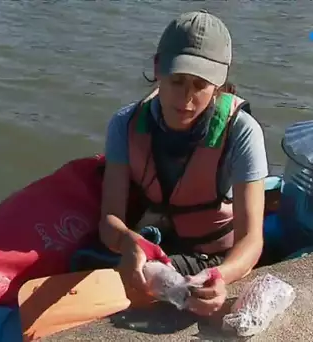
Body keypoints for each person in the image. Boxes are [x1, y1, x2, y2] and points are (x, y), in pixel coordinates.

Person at [98, 10, 268, 317]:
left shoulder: (243, 132)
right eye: (177, 81)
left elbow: (251, 239)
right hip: (154, 244)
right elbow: (110, 218)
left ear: (218, 84)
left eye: (200, 85)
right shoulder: (124, 125)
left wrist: (222, 277)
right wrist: (126, 241)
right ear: (157, 68)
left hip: (213, 258)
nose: (186, 99)